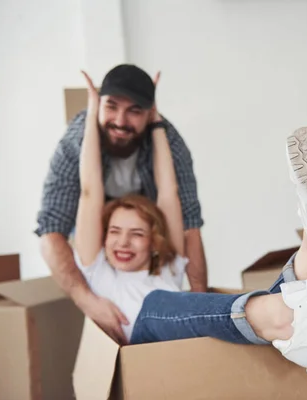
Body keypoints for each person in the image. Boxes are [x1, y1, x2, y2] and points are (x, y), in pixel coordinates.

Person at [74, 71, 307, 378]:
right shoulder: (99, 272)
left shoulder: (168, 266)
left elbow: (169, 191)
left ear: (155, 241)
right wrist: (93, 108)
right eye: (114, 232)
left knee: (222, 306)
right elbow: (89, 191)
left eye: (137, 233)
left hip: (195, 342)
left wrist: (155, 120)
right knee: (155, 305)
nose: (123, 242)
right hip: (145, 351)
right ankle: (287, 313)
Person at [35, 64, 208, 345]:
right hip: (103, 256)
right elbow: (84, 197)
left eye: (134, 111)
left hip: (154, 249)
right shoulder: (99, 270)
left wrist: (201, 309)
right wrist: (87, 300)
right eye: (111, 107)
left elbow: (173, 201)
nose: (119, 120)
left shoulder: (169, 267)